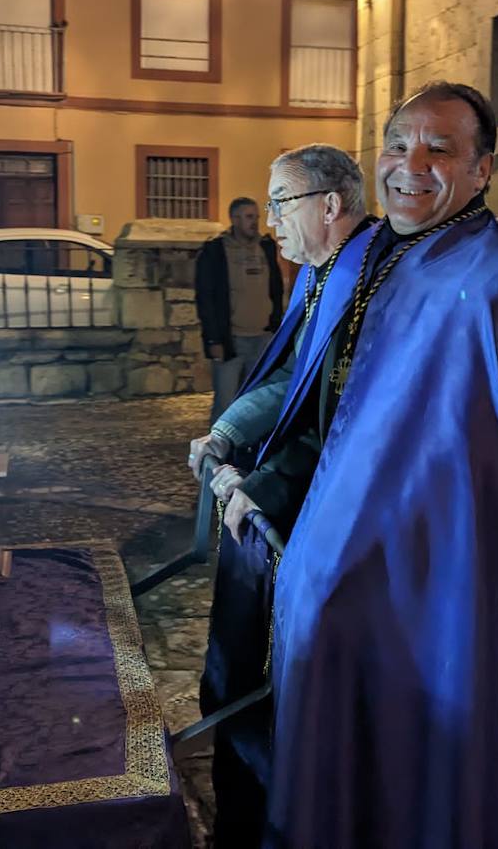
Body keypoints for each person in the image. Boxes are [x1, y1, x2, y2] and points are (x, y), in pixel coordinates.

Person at [222, 82, 498, 847]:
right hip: (366, 546)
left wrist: (389, 549)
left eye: (439, 149)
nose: (409, 165)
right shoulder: (397, 258)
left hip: (450, 564)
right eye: (397, 144)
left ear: (483, 168)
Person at [187, 145, 375, 849]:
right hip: (284, 499)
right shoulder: (322, 275)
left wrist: (257, 490)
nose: (270, 221)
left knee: (296, 680)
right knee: (235, 655)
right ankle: (241, 787)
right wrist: (227, 433)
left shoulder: (366, 285)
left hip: (337, 519)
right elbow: (290, 380)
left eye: (280, 202)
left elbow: (336, 428)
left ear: (329, 206)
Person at [195, 197, 284, 423]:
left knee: (258, 402)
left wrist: (276, 326)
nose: (255, 222)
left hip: (263, 339)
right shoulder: (215, 250)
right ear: (234, 219)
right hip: (231, 341)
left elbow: (276, 287)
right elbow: (206, 298)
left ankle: (249, 456)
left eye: (257, 216)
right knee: (225, 405)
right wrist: (213, 340)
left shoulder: (265, 246)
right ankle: (217, 455)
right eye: (249, 217)